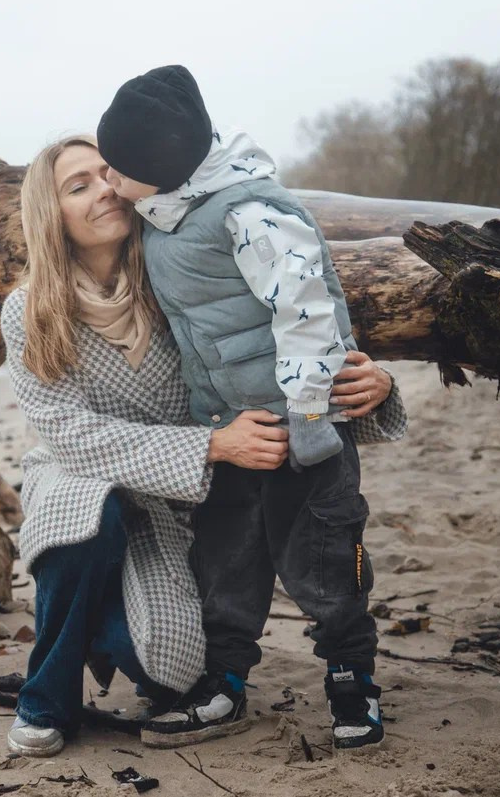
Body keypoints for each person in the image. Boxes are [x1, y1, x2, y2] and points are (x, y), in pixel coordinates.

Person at [97, 65, 408, 750]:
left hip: (305, 430)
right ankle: (225, 679)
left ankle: (350, 674)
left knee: (326, 561)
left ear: (163, 165)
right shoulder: (163, 215)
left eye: (118, 168)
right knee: (224, 561)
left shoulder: (250, 212)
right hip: (231, 429)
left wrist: (307, 417)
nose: (109, 180)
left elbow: (305, 311)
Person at [1, 134, 293, 757]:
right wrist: (210, 448)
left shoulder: (175, 275)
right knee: (88, 514)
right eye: (78, 186)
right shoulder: (28, 310)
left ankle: (98, 626)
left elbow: (277, 332)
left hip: (167, 506)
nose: (103, 189)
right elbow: (70, 435)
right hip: (75, 479)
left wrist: (365, 380)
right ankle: (45, 697)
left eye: (107, 174)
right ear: (51, 214)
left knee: (172, 675)